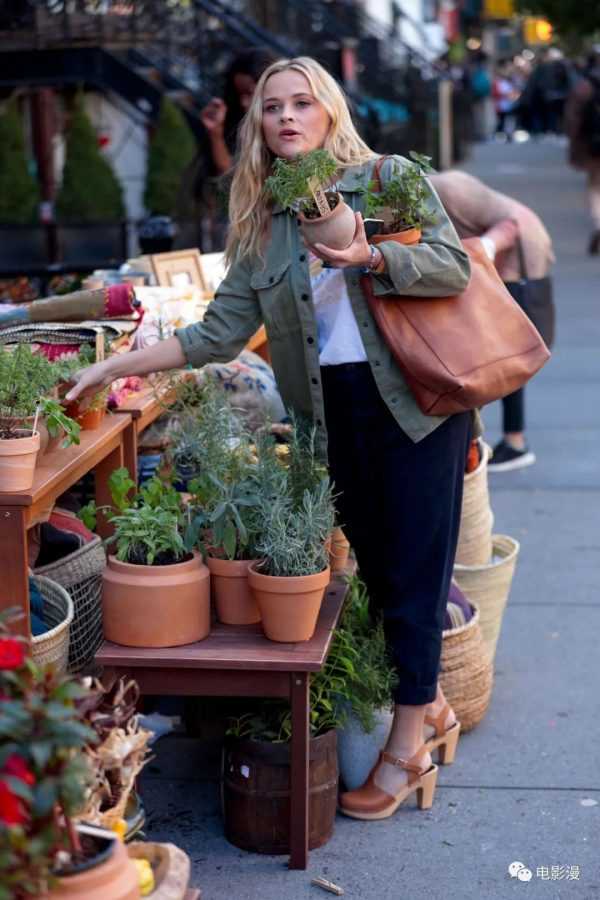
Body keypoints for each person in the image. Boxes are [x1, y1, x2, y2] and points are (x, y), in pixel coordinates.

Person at [67, 56, 474, 820]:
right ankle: (434, 707)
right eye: (271, 106)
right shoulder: (261, 223)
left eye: (301, 103)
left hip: (414, 404)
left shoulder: (383, 182)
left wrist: (370, 255)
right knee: (382, 576)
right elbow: (219, 334)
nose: (285, 115)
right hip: (333, 413)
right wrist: (117, 363)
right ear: (257, 124)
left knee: (416, 573)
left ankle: (409, 746)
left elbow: (450, 267)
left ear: (328, 112)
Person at [431, 169, 555, 471]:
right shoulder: (438, 188)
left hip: (518, 256)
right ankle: (502, 441)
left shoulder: (445, 190)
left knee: (505, 351)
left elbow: (510, 225)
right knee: (502, 352)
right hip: (510, 254)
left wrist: (480, 254)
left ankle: (513, 442)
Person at [200, 47, 277, 176]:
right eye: (239, 94)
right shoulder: (242, 127)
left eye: (250, 93)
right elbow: (232, 177)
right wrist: (215, 132)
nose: (243, 102)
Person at [565, 51, 600, 254]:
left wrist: (575, 146)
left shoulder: (585, 87)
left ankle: (598, 223)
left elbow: (572, 121)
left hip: (593, 147)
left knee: (595, 187)